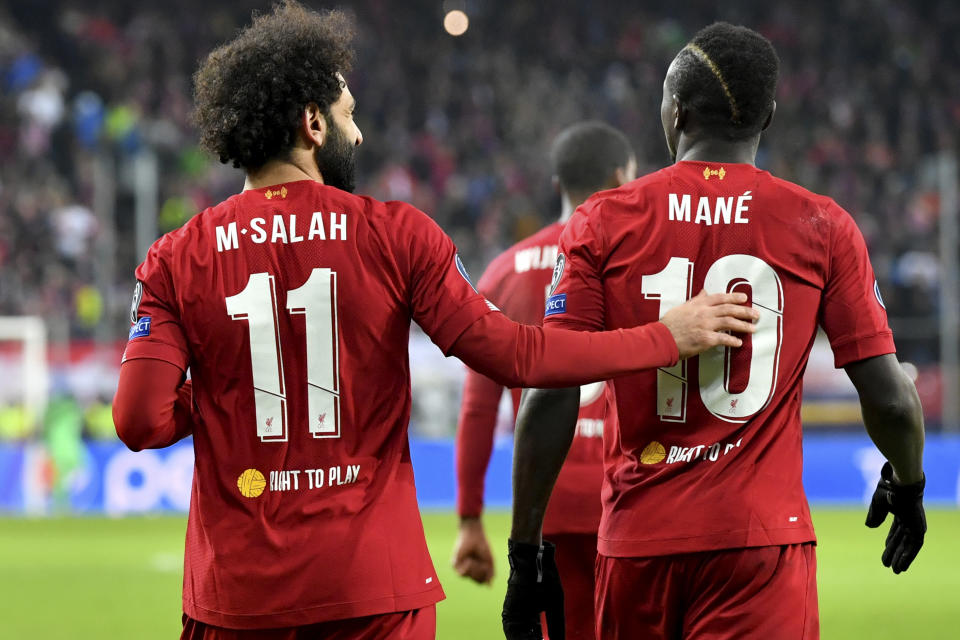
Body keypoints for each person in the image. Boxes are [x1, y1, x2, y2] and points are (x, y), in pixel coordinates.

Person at [110, 4, 759, 639]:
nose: (357, 133)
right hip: (373, 592)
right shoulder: (395, 236)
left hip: (235, 598)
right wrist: (665, 337)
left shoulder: (176, 257)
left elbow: (140, 422)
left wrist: (225, 391)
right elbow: (518, 357)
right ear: (312, 123)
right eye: (348, 115)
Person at [503, 22, 927, 640]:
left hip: (637, 545)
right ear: (770, 116)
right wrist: (910, 482)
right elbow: (888, 395)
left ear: (675, 112)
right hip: (759, 546)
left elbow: (550, 391)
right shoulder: (823, 225)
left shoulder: (602, 219)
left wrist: (525, 554)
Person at [453, 121, 635, 640]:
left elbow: (478, 409)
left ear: (558, 185)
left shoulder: (503, 271)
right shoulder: (638, 261)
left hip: (544, 501)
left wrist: (469, 519)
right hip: (626, 494)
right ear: (623, 177)